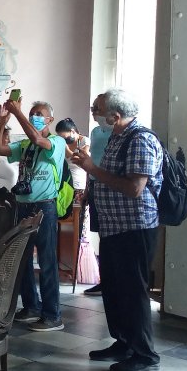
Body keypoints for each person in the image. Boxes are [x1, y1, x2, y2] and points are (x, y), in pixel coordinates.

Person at [71, 88, 163, 371]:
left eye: (97, 108)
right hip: (113, 226)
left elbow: (135, 188)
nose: (93, 113)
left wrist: (90, 169)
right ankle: (123, 341)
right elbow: (111, 176)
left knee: (133, 290)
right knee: (113, 288)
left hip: (134, 227)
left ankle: (144, 352)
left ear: (115, 115)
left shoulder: (140, 139)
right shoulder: (116, 136)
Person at [0, 97, 66, 332]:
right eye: (31, 112)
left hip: (44, 206)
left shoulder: (55, 142)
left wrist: (17, 112)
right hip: (23, 206)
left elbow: (37, 137)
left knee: (46, 261)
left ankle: (52, 314)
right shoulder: (25, 145)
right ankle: (31, 306)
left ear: (50, 119)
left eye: (39, 113)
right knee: (22, 259)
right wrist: (2, 123)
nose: (34, 115)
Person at [82, 93, 110, 296]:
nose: (94, 113)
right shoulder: (95, 132)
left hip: (111, 188)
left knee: (111, 236)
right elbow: (90, 162)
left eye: (97, 108)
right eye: (93, 109)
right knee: (101, 234)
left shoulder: (118, 133)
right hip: (94, 186)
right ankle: (104, 279)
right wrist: (86, 189)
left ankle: (113, 280)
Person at [56, 117, 91, 241]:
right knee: (63, 221)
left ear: (72, 131)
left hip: (79, 187)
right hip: (65, 187)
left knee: (78, 224)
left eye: (64, 137)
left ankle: (79, 255)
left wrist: (66, 149)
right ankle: (64, 256)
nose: (63, 140)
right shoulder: (62, 143)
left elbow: (81, 160)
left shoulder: (84, 141)